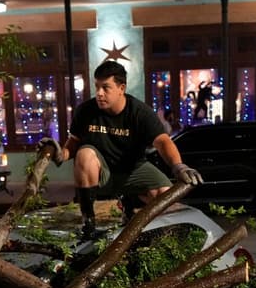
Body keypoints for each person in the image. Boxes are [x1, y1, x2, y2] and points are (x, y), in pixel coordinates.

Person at [39, 61, 202, 236]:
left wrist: (178, 166)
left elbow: (163, 141)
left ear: (121, 88)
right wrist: (60, 155)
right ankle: (88, 220)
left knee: (165, 195)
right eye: (97, 87)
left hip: (133, 169)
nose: (99, 93)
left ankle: (130, 203)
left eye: (105, 87)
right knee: (84, 154)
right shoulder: (85, 111)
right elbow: (73, 143)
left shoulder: (140, 112)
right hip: (101, 172)